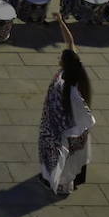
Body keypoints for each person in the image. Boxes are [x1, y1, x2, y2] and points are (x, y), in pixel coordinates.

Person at [38, 13, 95, 196]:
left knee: (62, 155)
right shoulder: (75, 69)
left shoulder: (68, 86)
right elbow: (69, 42)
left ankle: (61, 184)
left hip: (64, 128)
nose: (58, 60)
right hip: (73, 127)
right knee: (70, 155)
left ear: (65, 63)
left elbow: (64, 109)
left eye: (60, 59)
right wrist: (60, 22)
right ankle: (60, 179)